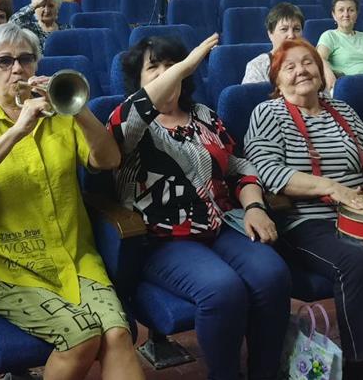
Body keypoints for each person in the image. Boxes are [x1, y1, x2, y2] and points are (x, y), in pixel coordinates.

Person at [0, 23, 143, 380]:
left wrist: (77, 108)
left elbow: (109, 159)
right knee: (81, 338)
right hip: (7, 264)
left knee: (118, 335)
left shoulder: (60, 116)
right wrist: (18, 131)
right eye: (4, 61)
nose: (18, 69)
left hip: (75, 258)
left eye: (26, 59)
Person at [109, 34, 290, 380]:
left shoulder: (204, 115)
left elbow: (239, 167)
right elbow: (122, 125)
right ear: (138, 80)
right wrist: (184, 65)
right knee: (222, 290)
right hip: (162, 239)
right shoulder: (132, 123)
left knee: (273, 275)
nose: (167, 74)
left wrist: (255, 206)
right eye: (154, 67)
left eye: (172, 65)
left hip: (220, 225)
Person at [245, 38, 363, 379]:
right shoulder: (268, 113)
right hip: (306, 221)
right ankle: (360, 366)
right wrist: (331, 187)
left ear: (320, 70)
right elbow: (267, 170)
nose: (302, 70)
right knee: (356, 260)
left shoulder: (341, 109)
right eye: (290, 67)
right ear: (277, 81)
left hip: (361, 213)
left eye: (308, 62)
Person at [241, 3, 311, 85]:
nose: (291, 35)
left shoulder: (311, 61)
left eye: (296, 29)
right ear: (270, 34)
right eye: (284, 29)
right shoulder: (257, 66)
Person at [317, 0, 363, 83]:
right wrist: (329, 76)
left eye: (351, 10)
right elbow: (320, 58)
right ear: (334, 15)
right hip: (349, 84)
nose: (346, 14)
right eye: (341, 10)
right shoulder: (329, 35)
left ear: (357, 15)